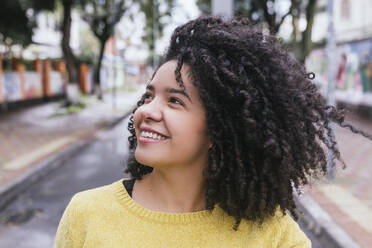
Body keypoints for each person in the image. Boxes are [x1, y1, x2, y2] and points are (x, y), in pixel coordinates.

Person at [54, 16, 372, 247]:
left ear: (219, 128)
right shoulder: (87, 213)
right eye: (149, 96)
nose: (146, 110)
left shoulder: (271, 233)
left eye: (175, 101)